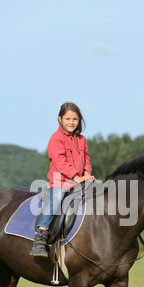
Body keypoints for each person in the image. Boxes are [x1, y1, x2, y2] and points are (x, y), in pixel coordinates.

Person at [30, 102, 95, 257]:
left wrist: (87, 173)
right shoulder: (55, 139)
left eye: (75, 119)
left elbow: (86, 159)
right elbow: (61, 163)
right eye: (67, 119)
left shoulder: (82, 139)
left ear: (79, 120)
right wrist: (77, 177)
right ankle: (41, 237)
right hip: (61, 181)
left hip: (80, 180)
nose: (71, 122)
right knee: (56, 199)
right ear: (59, 119)